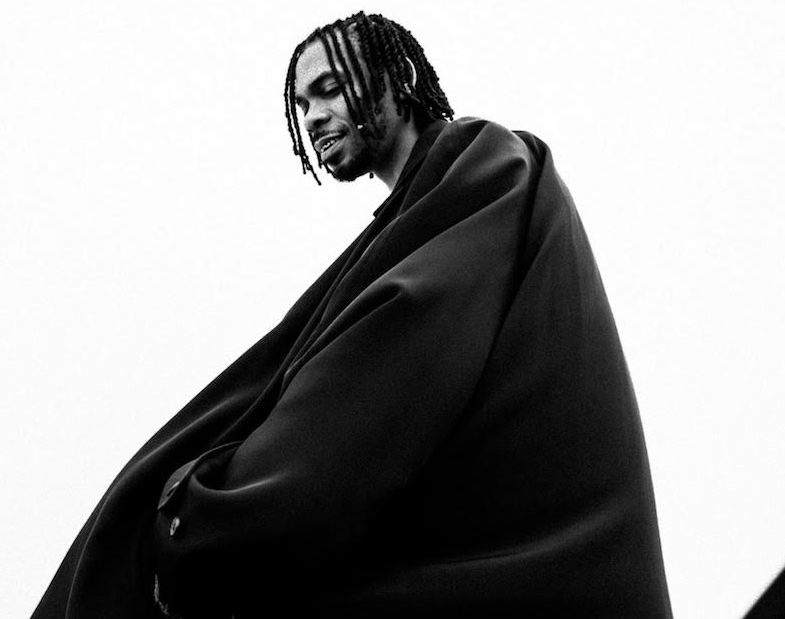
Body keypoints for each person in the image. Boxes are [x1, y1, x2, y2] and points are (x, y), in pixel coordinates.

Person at [33, 11, 672, 618]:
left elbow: (402, 345)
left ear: (402, 80)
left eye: (330, 89)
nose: (312, 116)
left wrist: (222, 502)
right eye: (301, 104)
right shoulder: (413, 216)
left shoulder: (485, 163)